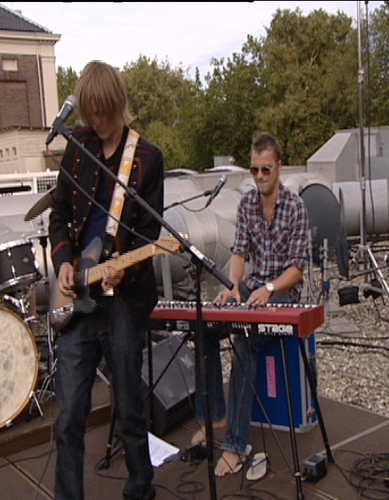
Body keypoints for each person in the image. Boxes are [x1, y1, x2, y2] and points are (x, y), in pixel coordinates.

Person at [49, 61, 164, 500]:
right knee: (70, 413)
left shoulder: (147, 158)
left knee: (130, 405)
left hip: (122, 298)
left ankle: (140, 490)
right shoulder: (78, 145)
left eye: (104, 113)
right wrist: (63, 260)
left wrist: (125, 266)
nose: (97, 122)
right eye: (91, 115)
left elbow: (150, 238)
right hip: (77, 292)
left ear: (118, 103)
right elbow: (59, 215)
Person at [192, 131, 309, 477]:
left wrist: (270, 289)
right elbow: (240, 251)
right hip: (256, 286)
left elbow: (297, 269)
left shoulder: (296, 206)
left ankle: (236, 445)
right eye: (254, 170)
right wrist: (233, 287)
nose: (259, 177)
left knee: (245, 339)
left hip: (285, 293)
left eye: (266, 170)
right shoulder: (246, 204)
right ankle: (214, 416)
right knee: (205, 326)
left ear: (279, 168)